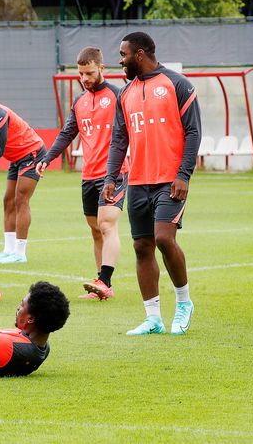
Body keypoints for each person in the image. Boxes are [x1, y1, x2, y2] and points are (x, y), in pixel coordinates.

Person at [103, 32, 201, 335]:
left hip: (170, 181)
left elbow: (193, 132)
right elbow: (119, 138)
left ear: (140, 54)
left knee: (163, 239)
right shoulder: (124, 93)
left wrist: (184, 175)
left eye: (123, 54)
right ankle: (153, 317)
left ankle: (184, 303)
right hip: (138, 181)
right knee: (141, 246)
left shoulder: (178, 84)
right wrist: (111, 176)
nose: (120, 61)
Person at [36, 47, 128, 300]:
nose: (85, 78)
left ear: (102, 68)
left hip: (114, 173)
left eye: (89, 73)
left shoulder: (118, 96)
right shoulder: (80, 101)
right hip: (89, 175)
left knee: (107, 225)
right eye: (81, 74)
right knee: (95, 229)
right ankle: (101, 284)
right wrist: (47, 158)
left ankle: (105, 281)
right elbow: (67, 133)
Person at [0, 84, 47, 265]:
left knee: (21, 199)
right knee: (7, 200)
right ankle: (8, 250)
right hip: (16, 157)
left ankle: (20, 252)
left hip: (31, 152)